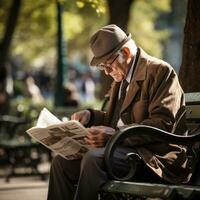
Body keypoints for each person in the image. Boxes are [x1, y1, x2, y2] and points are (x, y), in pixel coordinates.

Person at [47, 24, 193, 200]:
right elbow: (114, 120)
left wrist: (114, 135)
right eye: (103, 67)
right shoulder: (121, 78)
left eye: (108, 65)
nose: (107, 72)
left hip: (154, 156)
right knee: (60, 163)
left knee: (93, 158)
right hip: (121, 150)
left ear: (125, 53)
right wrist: (90, 116)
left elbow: (162, 123)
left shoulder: (160, 71)